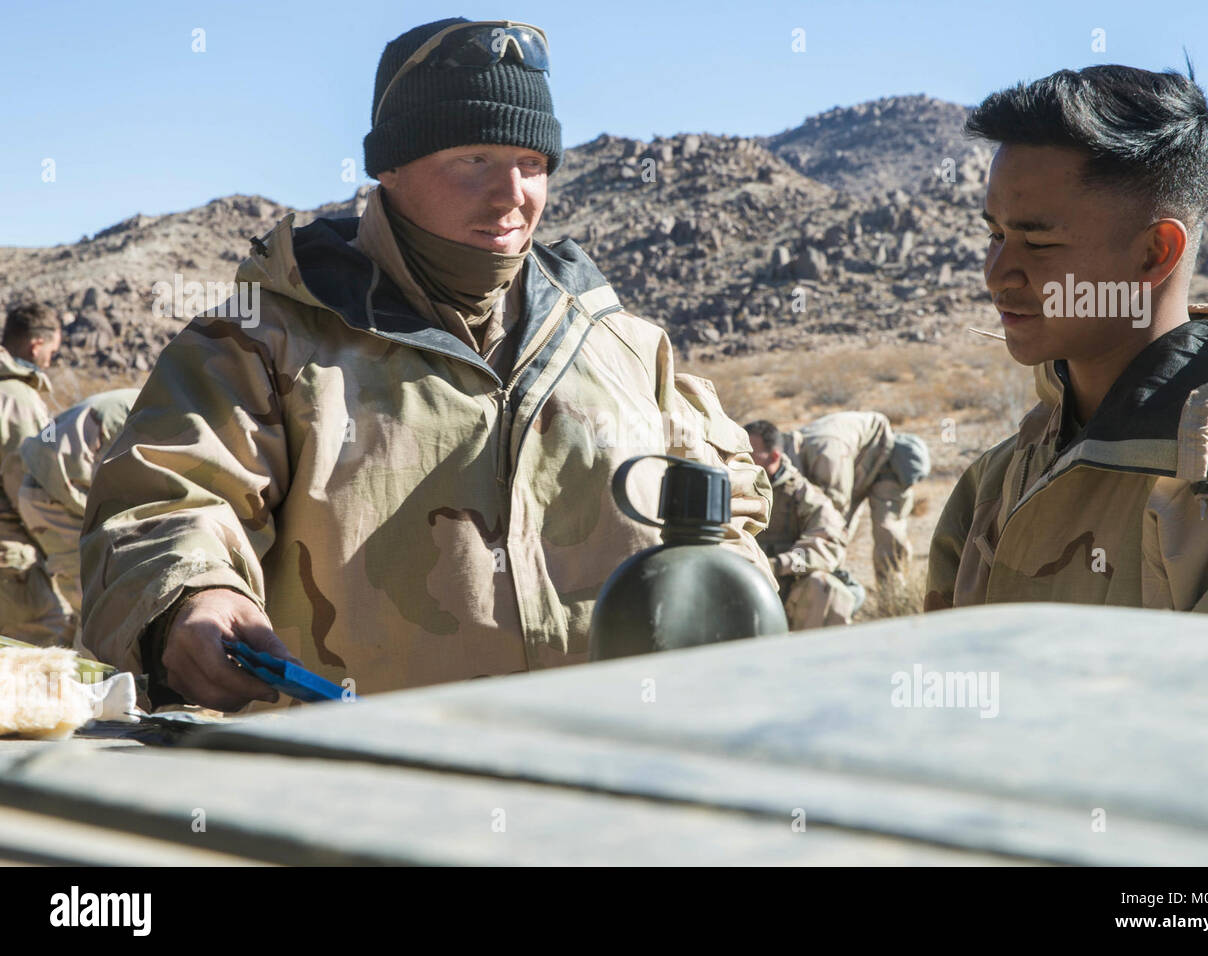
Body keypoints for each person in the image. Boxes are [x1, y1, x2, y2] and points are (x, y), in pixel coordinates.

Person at [80, 18, 775, 713]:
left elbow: (727, 503)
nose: (511, 194)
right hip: (367, 784)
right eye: (473, 159)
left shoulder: (622, 342)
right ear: (391, 166)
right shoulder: (268, 339)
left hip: (608, 769)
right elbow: (168, 498)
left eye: (532, 163)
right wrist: (197, 593)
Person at [926, 64, 1208, 620]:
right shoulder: (999, 477)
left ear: (1154, 253)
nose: (999, 272)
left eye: (1038, 241)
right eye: (996, 235)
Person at [17, 388, 139, 647]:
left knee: (83, 597)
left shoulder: (143, 397)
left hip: (37, 487)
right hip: (59, 496)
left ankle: (73, 667)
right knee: (97, 602)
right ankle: (92, 679)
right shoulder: (167, 411)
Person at [784, 411, 927, 587]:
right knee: (831, 523)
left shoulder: (870, 439)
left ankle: (891, 591)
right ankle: (825, 580)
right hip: (832, 458)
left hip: (825, 457)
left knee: (884, 529)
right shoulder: (839, 451)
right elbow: (832, 520)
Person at [0, 302, 69, 644]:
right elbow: (28, 487)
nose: (51, 361)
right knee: (51, 653)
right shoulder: (17, 399)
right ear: (36, 345)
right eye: (52, 352)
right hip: (13, 566)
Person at [745, 421, 859, 629]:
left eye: (750, 456)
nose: (742, 462)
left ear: (773, 457)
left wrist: (778, 565)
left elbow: (826, 545)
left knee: (823, 586)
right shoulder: (732, 489)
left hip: (789, 587)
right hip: (741, 582)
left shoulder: (803, 495)